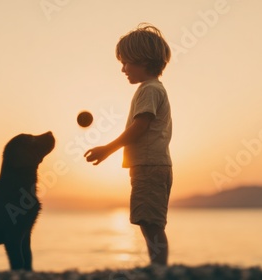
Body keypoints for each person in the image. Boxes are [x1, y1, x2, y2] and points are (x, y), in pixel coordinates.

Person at [84, 23, 173, 266]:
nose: (123, 69)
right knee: (149, 221)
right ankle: (158, 267)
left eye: (126, 63)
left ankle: (159, 269)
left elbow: (140, 127)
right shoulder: (153, 89)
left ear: (143, 60)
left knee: (151, 223)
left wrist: (107, 149)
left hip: (149, 165)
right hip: (152, 165)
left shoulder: (149, 90)